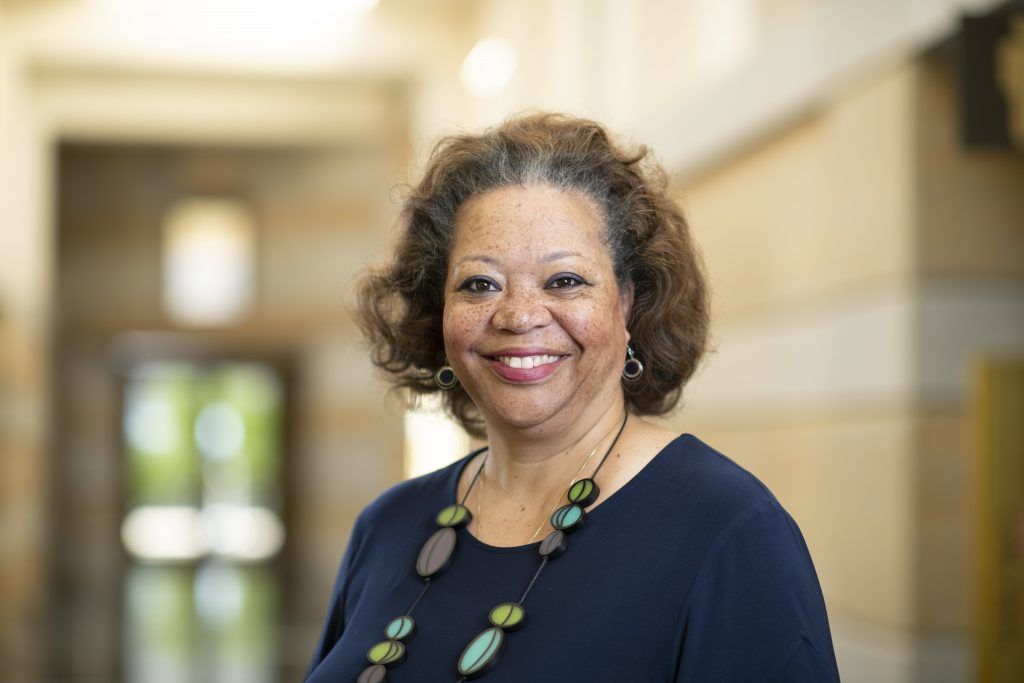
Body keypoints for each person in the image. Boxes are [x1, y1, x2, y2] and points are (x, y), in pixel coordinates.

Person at [305, 113, 840, 682]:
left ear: (629, 303)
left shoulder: (729, 530)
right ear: (438, 313)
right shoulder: (389, 524)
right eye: (479, 284)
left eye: (565, 281)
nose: (517, 316)